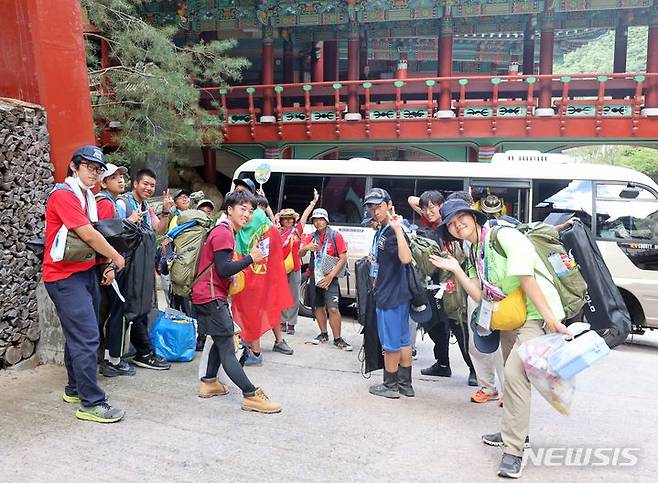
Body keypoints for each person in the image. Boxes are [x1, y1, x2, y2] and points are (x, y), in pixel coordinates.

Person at [429, 198, 572, 478]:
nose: (458, 225)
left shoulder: (504, 235)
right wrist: (456, 269)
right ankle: (516, 431)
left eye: (462, 218)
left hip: (535, 312)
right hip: (509, 315)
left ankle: (514, 450)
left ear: (473, 216)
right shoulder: (473, 249)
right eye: (451, 223)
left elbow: (527, 278)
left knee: (515, 374)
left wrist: (552, 320)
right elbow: (480, 295)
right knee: (512, 378)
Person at [43, 146, 126, 423]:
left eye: (98, 169)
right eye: (89, 167)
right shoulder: (64, 195)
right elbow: (88, 234)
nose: (95, 173)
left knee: (77, 335)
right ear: (74, 166)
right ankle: (91, 403)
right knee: (88, 337)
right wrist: (115, 256)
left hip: (84, 273)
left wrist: (104, 266)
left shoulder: (87, 196)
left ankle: (74, 388)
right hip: (64, 277)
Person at [192, 190, 281, 413]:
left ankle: (209, 382)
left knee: (219, 338)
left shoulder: (225, 230)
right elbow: (223, 269)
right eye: (242, 209)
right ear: (229, 210)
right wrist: (252, 258)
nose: (247, 215)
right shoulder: (223, 234)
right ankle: (251, 395)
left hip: (206, 294)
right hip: (211, 296)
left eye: (250, 211)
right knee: (227, 347)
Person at [408, 190, 477, 386]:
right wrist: (427, 207)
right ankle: (442, 364)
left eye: (433, 207)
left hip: (454, 284)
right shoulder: (430, 224)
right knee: (435, 326)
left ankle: (475, 370)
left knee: (459, 325)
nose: (429, 212)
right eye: (425, 209)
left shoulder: (453, 225)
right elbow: (411, 200)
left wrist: (443, 208)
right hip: (433, 282)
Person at [116, 168, 172, 370]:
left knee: (141, 309)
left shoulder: (146, 206)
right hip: (126, 267)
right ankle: (139, 353)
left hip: (142, 267)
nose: (148, 188)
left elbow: (159, 229)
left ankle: (140, 351)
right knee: (131, 310)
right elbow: (113, 231)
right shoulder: (123, 204)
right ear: (135, 184)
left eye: (152, 185)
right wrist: (128, 221)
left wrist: (165, 210)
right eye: (145, 184)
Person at [364, 188, 414, 398]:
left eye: (379, 207)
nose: (376, 211)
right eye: (372, 208)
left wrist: (397, 229)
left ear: (389, 204)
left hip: (390, 294)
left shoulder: (394, 229)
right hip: (398, 292)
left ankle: (390, 385)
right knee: (403, 341)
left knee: (391, 343)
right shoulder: (382, 230)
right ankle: (405, 385)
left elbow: (405, 258)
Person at [240, 192, 294, 365]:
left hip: (259, 275)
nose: (249, 214)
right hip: (252, 275)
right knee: (255, 310)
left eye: (253, 209)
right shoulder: (246, 226)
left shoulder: (261, 224)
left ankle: (259, 349)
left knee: (264, 309)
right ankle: (251, 343)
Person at [95, 163, 136, 377]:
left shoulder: (108, 201)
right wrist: (110, 265)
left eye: (121, 176)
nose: (121, 180)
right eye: (114, 177)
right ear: (103, 182)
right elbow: (105, 237)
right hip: (108, 266)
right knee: (117, 311)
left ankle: (109, 359)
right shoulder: (104, 203)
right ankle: (112, 360)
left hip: (109, 264)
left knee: (110, 313)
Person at [299, 208, 352, 351]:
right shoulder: (311, 236)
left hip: (330, 277)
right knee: (317, 306)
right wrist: (306, 247)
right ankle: (323, 334)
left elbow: (343, 258)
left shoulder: (336, 236)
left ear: (326, 220)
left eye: (321, 219)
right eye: (315, 220)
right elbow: (299, 253)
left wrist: (331, 276)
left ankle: (338, 338)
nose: (318, 223)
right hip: (314, 276)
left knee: (333, 308)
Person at [278, 189, 319, 335]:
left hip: (295, 267)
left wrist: (313, 202)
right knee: (282, 295)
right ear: (281, 220)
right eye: (285, 218)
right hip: (281, 268)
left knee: (294, 296)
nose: (288, 220)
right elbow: (269, 219)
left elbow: (306, 215)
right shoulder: (277, 232)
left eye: (290, 218)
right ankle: (282, 322)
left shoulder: (297, 231)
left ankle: (292, 323)